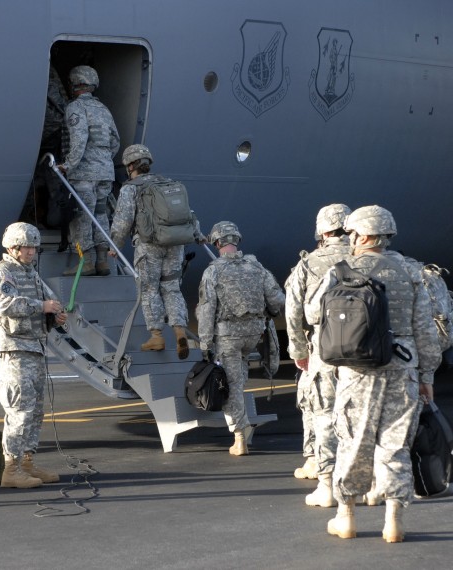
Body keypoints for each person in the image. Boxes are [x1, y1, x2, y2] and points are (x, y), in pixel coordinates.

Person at [307, 205, 440, 542]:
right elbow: (425, 328)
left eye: (352, 234)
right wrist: (427, 377)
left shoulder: (341, 270)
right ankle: (393, 520)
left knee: (352, 440)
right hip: (403, 367)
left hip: (358, 368)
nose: (349, 239)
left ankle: (346, 516)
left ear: (363, 235)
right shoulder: (411, 272)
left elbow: (312, 314)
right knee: (395, 443)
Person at [0, 222, 67, 488]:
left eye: (34, 247)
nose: (32, 252)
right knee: (19, 410)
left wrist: (55, 316)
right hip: (14, 350)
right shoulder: (3, 273)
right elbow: (4, 304)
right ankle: (11, 468)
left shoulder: (30, 273)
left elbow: (42, 307)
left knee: (34, 411)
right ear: (13, 247)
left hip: (34, 347)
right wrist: (41, 306)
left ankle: (27, 462)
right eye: (27, 247)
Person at [196, 221, 285, 455]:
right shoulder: (257, 268)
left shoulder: (213, 271)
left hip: (228, 337)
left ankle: (239, 438)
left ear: (216, 243)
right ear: (237, 240)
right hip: (253, 333)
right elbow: (277, 300)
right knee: (240, 377)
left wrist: (205, 343)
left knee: (232, 385)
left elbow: (206, 309)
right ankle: (242, 426)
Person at [108, 144, 204, 358]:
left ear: (130, 165)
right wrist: (198, 235)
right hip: (176, 243)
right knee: (171, 287)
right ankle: (179, 330)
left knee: (149, 289)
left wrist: (114, 245)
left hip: (149, 245)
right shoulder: (168, 183)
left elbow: (123, 220)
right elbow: (187, 214)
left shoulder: (131, 188)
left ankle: (156, 336)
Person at [284, 204, 351, 506]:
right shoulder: (369, 259)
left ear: (322, 230)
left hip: (325, 349)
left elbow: (293, 310)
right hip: (369, 351)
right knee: (363, 415)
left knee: (324, 415)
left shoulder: (310, 263)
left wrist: (298, 351)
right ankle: (370, 482)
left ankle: (327, 486)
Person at [58, 65, 120, 277]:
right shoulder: (103, 109)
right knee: (101, 213)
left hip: (83, 173)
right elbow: (115, 141)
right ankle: (103, 261)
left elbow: (79, 138)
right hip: (105, 172)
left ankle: (86, 261)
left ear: (75, 84)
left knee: (82, 216)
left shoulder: (75, 107)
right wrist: (102, 160)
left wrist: (67, 164)